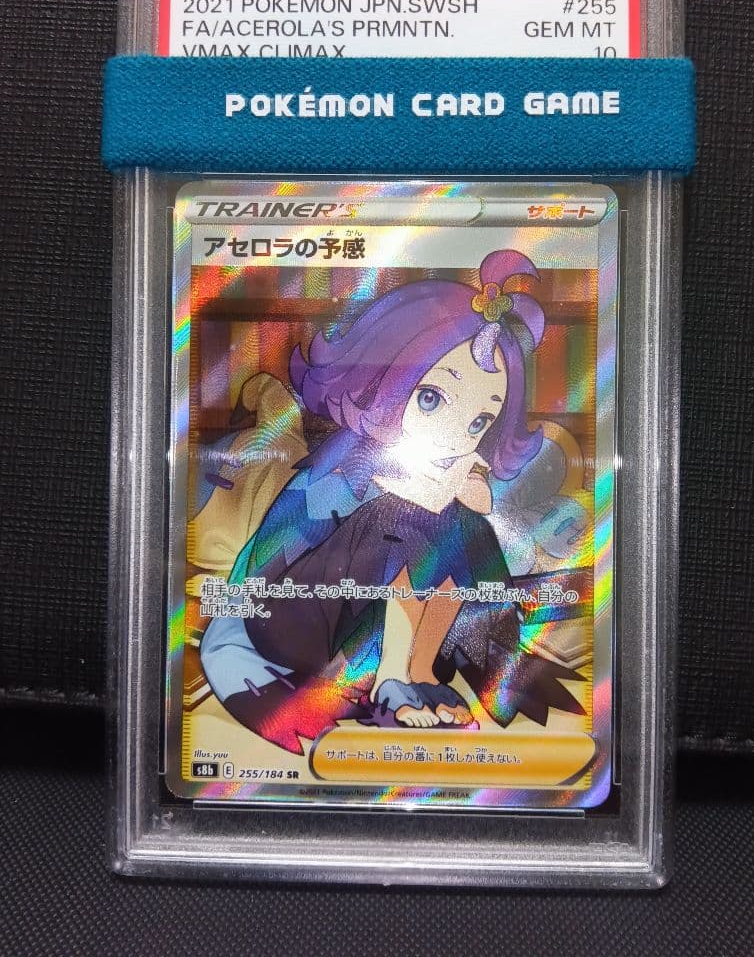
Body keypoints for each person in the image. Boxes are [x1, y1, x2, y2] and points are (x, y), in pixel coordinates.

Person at [200, 249, 584, 754]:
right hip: (287, 615)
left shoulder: (449, 464)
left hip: (353, 615)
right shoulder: (346, 459)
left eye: (479, 421)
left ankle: (419, 672)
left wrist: (467, 492)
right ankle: (388, 678)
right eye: (431, 398)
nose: (455, 434)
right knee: (400, 518)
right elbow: (293, 543)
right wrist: (413, 492)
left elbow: (483, 521)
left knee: (460, 525)